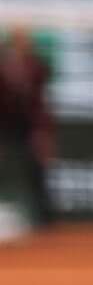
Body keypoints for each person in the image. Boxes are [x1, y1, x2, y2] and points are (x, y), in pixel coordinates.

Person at [0, 25, 55, 228]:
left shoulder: (36, 66)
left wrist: (42, 134)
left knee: (37, 169)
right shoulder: (2, 65)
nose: (23, 44)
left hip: (29, 126)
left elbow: (39, 102)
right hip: (4, 124)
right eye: (19, 40)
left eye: (26, 41)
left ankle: (45, 219)